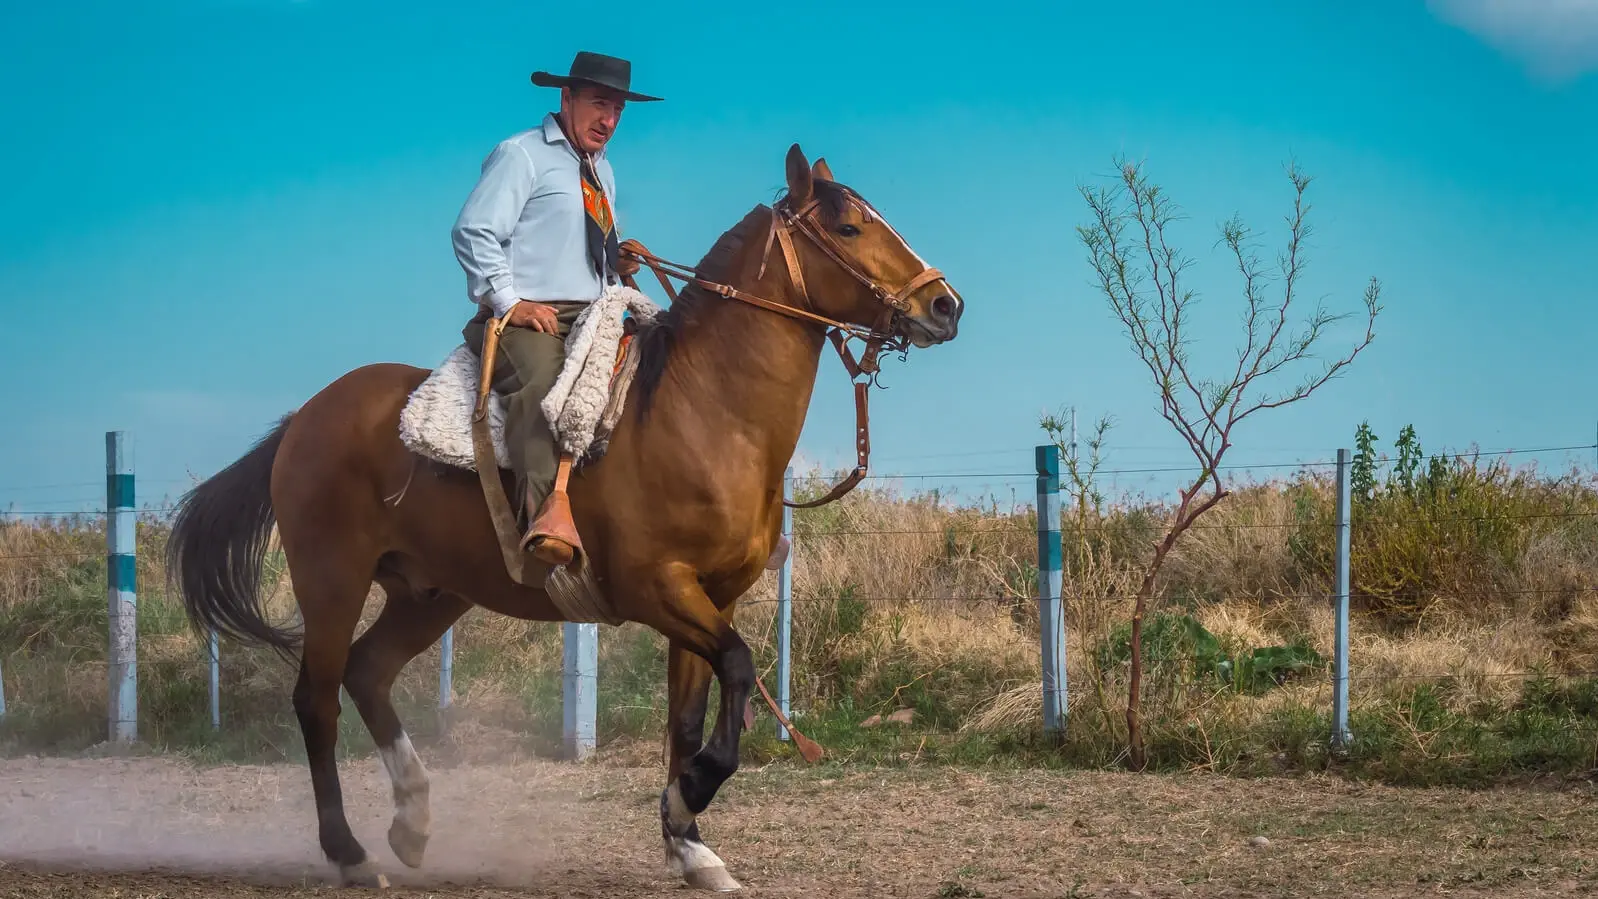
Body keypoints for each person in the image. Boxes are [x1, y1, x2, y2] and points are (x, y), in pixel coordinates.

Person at [452, 51, 659, 565]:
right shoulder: (520, 155)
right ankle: (543, 523)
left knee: (661, 372)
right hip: (524, 319)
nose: (609, 120)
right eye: (598, 104)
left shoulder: (600, 171)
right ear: (565, 99)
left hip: (591, 315)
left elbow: (578, 249)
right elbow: (474, 231)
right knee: (543, 389)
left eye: (617, 109)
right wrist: (510, 301)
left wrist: (616, 264)